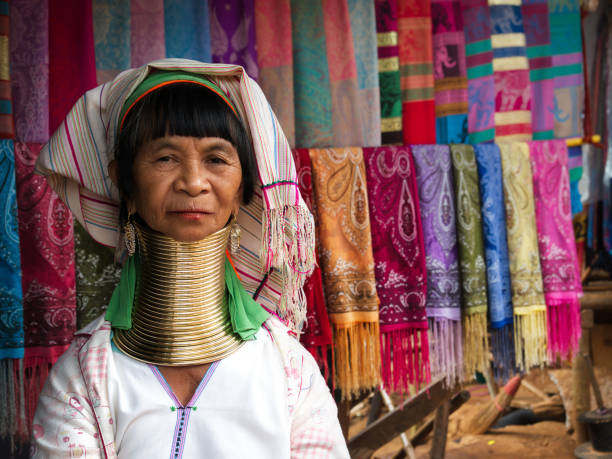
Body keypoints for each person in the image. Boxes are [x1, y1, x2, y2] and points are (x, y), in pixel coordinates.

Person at [31, 59, 349, 458]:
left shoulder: (288, 371)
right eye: (165, 157)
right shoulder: (84, 377)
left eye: (216, 159)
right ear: (124, 182)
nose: (194, 182)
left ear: (242, 191)